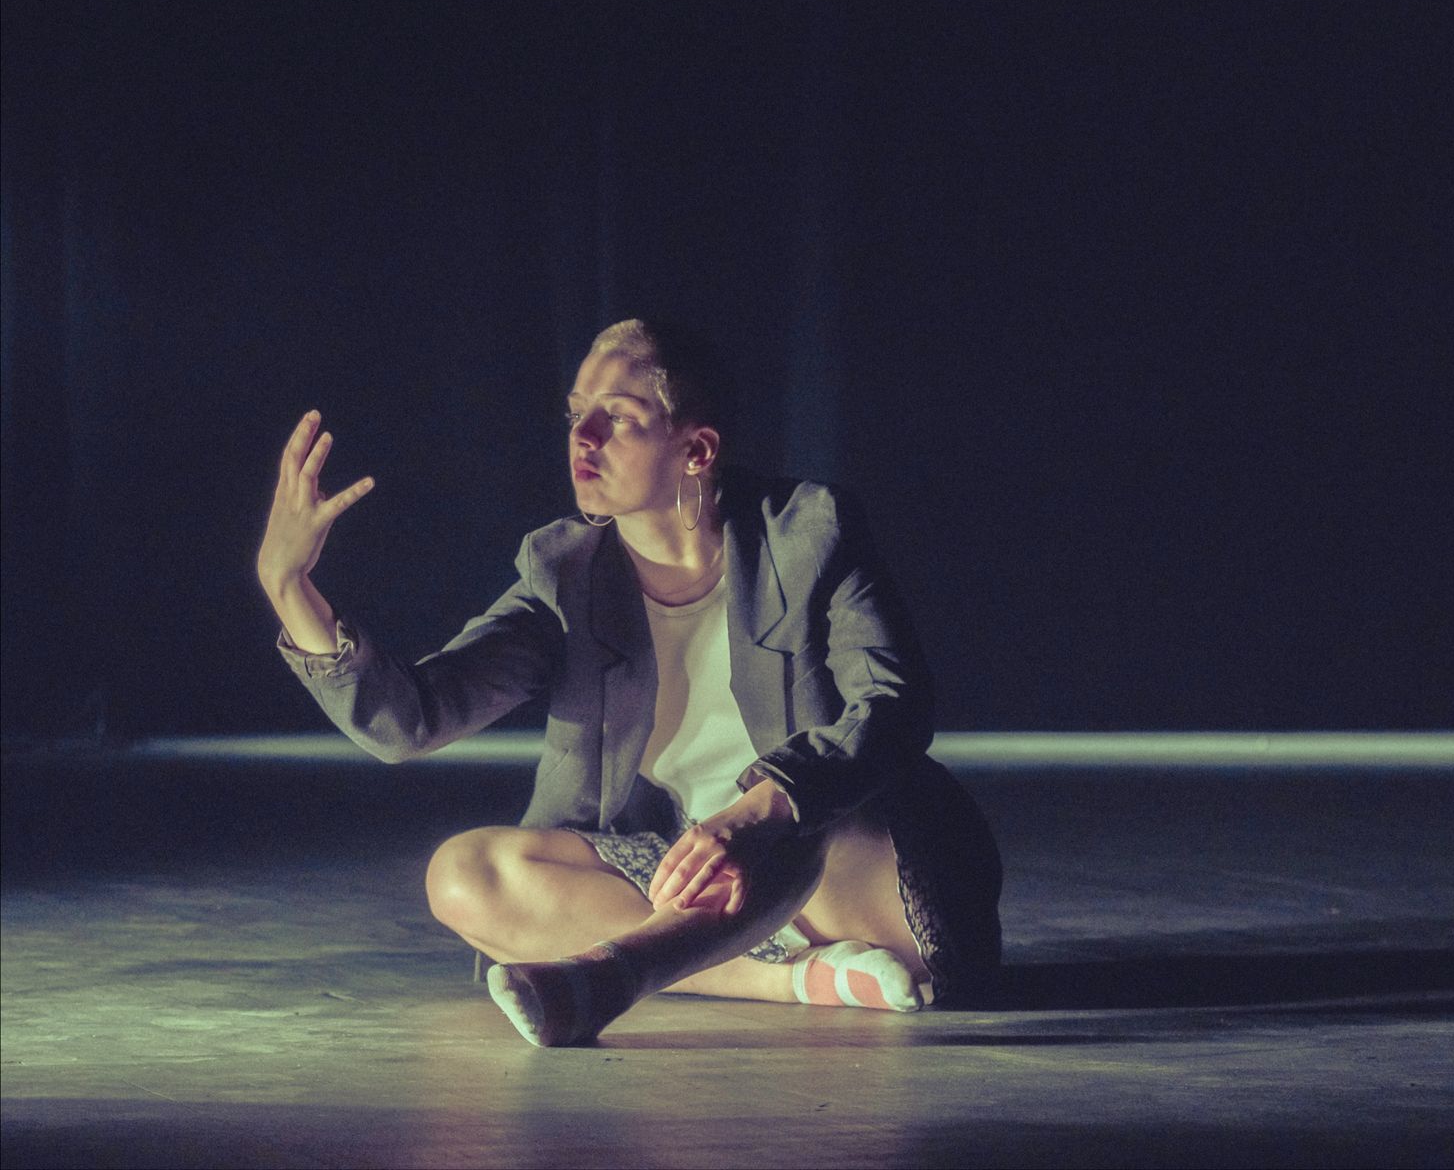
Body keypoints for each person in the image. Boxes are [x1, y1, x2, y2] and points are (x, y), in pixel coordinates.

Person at [257, 319, 1002, 1046]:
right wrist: (290, 587)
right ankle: (791, 980)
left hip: (848, 872)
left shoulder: (809, 531)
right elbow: (409, 720)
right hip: (676, 870)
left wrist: (758, 813)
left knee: (801, 825)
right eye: (577, 414)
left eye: (617, 418)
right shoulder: (564, 571)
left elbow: (894, 705)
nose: (582, 438)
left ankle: (617, 976)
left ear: (696, 449)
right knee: (462, 875)